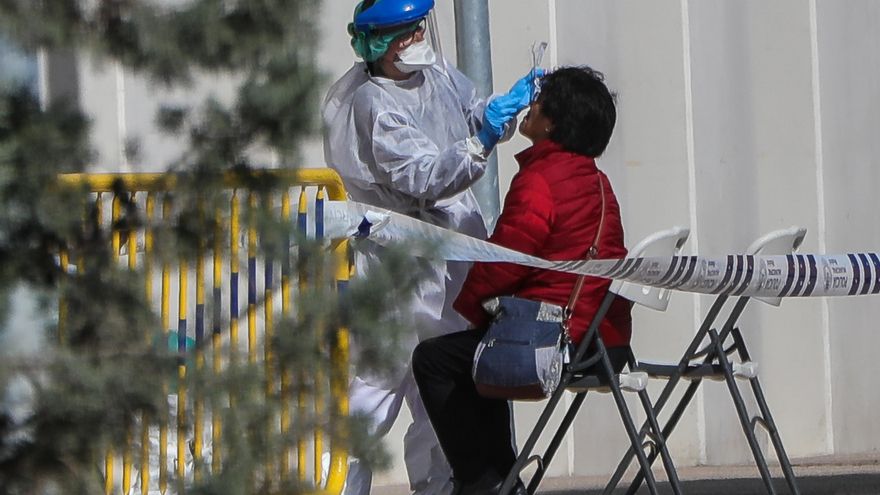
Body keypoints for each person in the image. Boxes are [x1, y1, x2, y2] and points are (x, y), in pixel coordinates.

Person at [321, 1, 541, 494]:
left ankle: (438, 488)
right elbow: (421, 177)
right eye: (406, 32)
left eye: (420, 26)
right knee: (377, 386)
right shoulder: (372, 104)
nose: (419, 37)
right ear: (377, 43)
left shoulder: (434, 71)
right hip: (397, 265)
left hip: (448, 259)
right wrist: (481, 141)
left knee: (442, 393)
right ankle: (338, 487)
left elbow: (470, 110)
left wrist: (500, 111)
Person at [411, 66, 632, 494]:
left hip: (558, 338)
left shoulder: (540, 180)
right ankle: (501, 477)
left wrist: (472, 310)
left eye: (539, 100)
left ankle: (479, 480)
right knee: (477, 355)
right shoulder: (597, 181)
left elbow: (506, 260)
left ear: (551, 122)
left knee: (434, 359)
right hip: (603, 337)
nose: (529, 107)